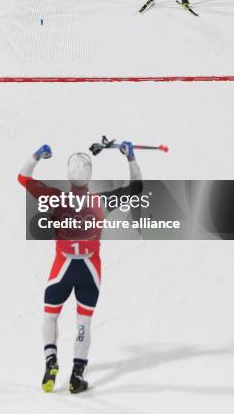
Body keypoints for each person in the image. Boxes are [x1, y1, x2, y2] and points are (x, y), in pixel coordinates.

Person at [18, 142, 142, 393]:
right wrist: (130, 158)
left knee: (50, 315)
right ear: (90, 177)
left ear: (68, 176)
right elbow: (137, 189)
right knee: (83, 323)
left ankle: (51, 360)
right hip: (90, 270)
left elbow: (23, 178)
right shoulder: (100, 201)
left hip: (62, 267)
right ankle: (77, 374)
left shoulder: (56, 198)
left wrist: (36, 156)